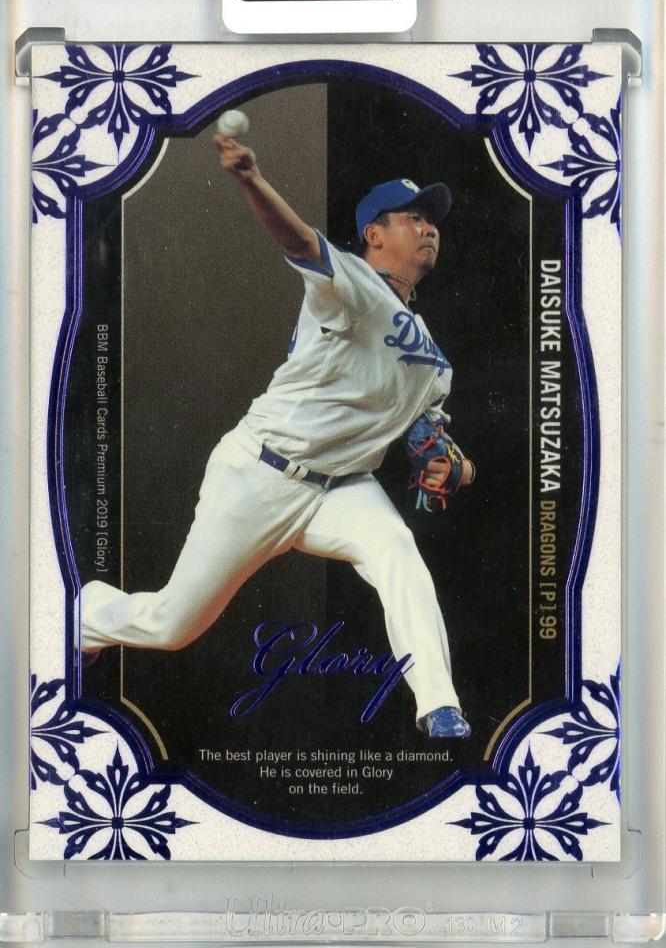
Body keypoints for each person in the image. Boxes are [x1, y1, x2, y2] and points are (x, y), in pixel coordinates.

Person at [79, 129, 474, 738]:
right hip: (261, 473)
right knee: (173, 626)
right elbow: (300, 242)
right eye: (413, 218)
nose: (429, 228)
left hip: (342, 488)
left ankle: (439, 708)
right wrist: (251, 180)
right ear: (374, 235)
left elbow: (433, 441)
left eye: (432, 221)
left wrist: (456, 468)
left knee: (396, 548)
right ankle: (85, 615)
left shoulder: (435, 359)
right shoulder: (349, 284)